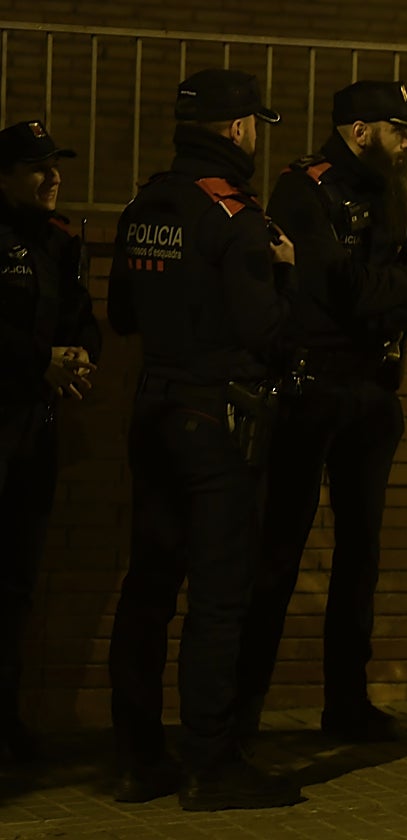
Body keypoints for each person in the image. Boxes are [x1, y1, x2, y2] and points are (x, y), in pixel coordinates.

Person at [106, 68, 302, 811]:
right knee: (219, 596)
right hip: (217, 417)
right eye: (255, 122)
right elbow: (266, 330)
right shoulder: (236, 214)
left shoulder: (145, 202)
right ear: (236, 129)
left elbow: (124, 313)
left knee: (148, 586)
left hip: (152, 406)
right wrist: (286, 278)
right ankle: (212, 765)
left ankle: (136, 758)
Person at [234, 80, 407, 744]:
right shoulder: (306, 188)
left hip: (374, 392)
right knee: (279, 553)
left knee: (361, 555)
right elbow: (338, 289)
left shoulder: (397, 193)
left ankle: (346, 704)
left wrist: (383, 291)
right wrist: (391, 290)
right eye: (400, 130)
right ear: (361, 130)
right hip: (312, 390)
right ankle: (239, 714)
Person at [0, 120, 100, 762]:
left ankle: (5, 723)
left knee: (15, 585)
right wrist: (41, 360)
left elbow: (82, 318)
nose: (53, 177)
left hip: (34, 430)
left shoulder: (59, 241)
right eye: (38, 167)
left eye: (55, 165)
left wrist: (78, 357)